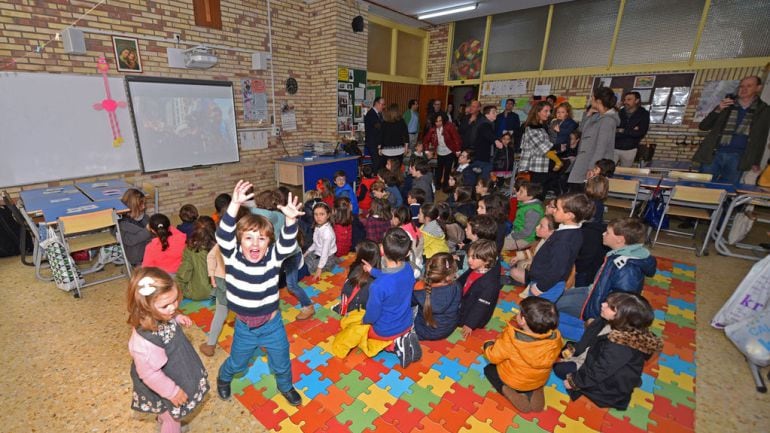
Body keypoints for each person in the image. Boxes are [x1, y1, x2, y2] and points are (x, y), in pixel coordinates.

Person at [127, 267, 209, 433]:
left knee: (169, 414)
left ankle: (164, 417)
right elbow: (150, 375)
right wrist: (171, 392)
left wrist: (177, 318)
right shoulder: (144, 344)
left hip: (175, 368)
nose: (173, 308)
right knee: (172, 420)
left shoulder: (160, 313)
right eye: (166, 305)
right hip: (161, 384)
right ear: (145, 308)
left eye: (175, 300)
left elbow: (170, 315)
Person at [555, 293, 663, 410]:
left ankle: (624, 382)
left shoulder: (620, 346)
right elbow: (588, 340)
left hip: (605, 380)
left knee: (559, 369)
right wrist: (573, 351)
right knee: (562, 352)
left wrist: (574, 382)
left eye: (610, 307)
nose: (602, 304)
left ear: (621, 316)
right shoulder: (611, 321)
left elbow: (599, 371)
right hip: (595, 356)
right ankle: (631, 379)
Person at [333, 228, 419, 367]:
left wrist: (363, 321)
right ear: (408, 253)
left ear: (382, 249)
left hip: (385, 330)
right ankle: (402, 338)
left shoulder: (378, 286)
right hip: (406, 322)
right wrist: (372, 271)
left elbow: (372, 316)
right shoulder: (408, 269)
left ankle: (394, 346)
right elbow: (392, 279)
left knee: (356, 327)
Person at [556, 218, 657, 321]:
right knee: (555, 297)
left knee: (553, 307)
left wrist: (598, 319)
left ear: (620, 239)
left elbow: (621, 302)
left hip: (599, 305)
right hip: (594, 291)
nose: (603, 234)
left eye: (608, 233)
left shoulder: (627, 268)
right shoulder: (617, 254)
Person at [483, 297, 562, 413]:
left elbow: (493, 356)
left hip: (514, 381)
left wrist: (488, 344)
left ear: (523, 321)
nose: (517, 313)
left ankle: (508, 391)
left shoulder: (512, 339)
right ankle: (537, 389)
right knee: (531, 376)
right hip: (537, 379)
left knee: (489, 370)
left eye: (520, 312)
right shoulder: (556, 338)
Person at [511, 193, 595, 302]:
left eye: (557, 209)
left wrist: (540, 287)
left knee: (535, 311)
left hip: (547, 285)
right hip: (546, 280)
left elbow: (557, 270)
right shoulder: (572, 230)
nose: (554, 210)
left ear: (569, 215)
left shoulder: (564, 241)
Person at [694, 76, 770, 184]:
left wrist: (756, 161)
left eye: (749, 86)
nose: (744, 89)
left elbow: (761, 137)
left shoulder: (764, 110)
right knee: (703, 187)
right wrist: (718, 109)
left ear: (758, 88)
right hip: (714, 154)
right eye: (741, 86)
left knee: (727, 190)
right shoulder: (727, 105)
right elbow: (703, 126)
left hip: (739, 157)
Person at [331, 240, 380, 357]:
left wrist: (342, 309)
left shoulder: (356, 271)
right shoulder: (381, 272)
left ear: (362, 257)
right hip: (371, 312)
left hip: (356, 310)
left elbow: (346, 294)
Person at [568, 87, 620, 188]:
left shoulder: (608, 121)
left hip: (592, 164)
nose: (590, 100)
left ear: (598, 101)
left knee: (586, 195)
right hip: (585, 160)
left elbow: (601, 147)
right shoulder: (596, 116)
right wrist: (588, 114)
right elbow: (581, 129)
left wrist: (592, 168)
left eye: (592, 97)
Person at [458, 239, 501, 338]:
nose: (469, 260)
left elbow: (481, 306)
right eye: (469, 256)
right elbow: (463, 279)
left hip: (473, 314)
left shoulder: (490, 284)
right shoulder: (477, 267)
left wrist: (470, 324)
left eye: (473, 258)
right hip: (466, 299)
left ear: (486, 261)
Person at [412, 252, 461, 340]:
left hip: (424, 331)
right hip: (449, 327)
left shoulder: (419, 289)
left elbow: (410, 302)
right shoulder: (457, 286)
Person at [200, 225, 227, 357]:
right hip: (240, 283)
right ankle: (263, 342)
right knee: (249, 314)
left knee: (220, 313)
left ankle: (210, 344)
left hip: (222, 281)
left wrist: (212, 276)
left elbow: (210, 257)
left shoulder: (219, 244)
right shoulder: (243, 243)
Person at [175, 217, 215, 301]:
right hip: (221, 291)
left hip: (197, 293)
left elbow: (184, 273)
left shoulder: (190, 249)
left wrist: (176, 285)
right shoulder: (221, 245)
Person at [519, 101, 557, 186]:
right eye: (546, 111)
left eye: (550, 111)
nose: (549, 114)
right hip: (535, 166)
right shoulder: (531, 127)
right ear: (538, 112)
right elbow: (542, 146)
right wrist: (558, 147)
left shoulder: (543, 126)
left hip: (542, 165)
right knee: (534, 193)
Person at [424, 111, 462, 190]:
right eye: (436, 121)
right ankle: (437, 184)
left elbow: (456, 138)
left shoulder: (449, 126)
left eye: (440, 121)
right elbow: (426, 140)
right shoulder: (432, 129)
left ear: (443, 120)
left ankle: (445, 185)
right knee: (439, 169)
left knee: (447, 169)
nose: (438, 123)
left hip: (449, 151)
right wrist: (427, 151)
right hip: (439, 152)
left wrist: (458, 150)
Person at [503, 181, 544, 252]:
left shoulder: (532, 211)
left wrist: (512, 236)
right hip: (517, 233)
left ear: (530, 196)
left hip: (525, 239)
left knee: (498, 245)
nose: (517, 193)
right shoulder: (526, 205)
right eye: (518, 190)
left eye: (521, 192)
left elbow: (526, 232)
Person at [304, 201, 338, 284]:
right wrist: (306, 253)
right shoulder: (318, 226)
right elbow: (315, 243)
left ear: (328, 215)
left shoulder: (327, 233)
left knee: (306, 268)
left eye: (322, 214)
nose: (318, 217)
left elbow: (325, 253)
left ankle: (332, 264)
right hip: (318, 253)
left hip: (326, 259)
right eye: (316, 214)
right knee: (300, 260)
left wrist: (319, 269)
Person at [614, 91, 650, 167]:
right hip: (614, 147)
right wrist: (631, 130)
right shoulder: (619, 112)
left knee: (625, 173)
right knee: (607, 170)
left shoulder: (643, 114)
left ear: (637, 101)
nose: (625, 102)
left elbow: (641, 132)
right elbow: (613, 129)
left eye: (629, 99)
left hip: (630, 149)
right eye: (625, 100)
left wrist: (622, 130)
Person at [119, 188, 152, 267]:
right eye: (141, 205)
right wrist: (148, 230)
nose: (144, 207)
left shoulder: (143, 216)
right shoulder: (122, 223)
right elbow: (130, 240)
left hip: (148, 251)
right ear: (132, 206)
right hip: (137, 257)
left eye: (144, 204)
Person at [471, 105, 501, 181]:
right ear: (487, 114)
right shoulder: (484, 124)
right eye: (493, 112)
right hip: (481, 158)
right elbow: (487, 133)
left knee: (481, 178)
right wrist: (496, 141)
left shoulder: (488, 123)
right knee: (481, 179)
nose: (496, 114)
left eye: (496, 112)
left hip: (482, 157)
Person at [548, 102, 579, 171]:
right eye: (558, 112)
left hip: (564, 146)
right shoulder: (555, 121)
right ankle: (558, 162)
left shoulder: (571, 122)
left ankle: (558, 163)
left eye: (562, 112)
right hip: (555, 144)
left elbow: (570, 130)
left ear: (567, 113)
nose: (559, 114)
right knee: (548, 154)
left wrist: (560, 130)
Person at [364, 97, 386, 171]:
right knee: (376, 163)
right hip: (373, 143)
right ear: (376, 104)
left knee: (380, 163)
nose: (383, 107)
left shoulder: (379, 114)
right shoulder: (371, 114)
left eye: (384, 105)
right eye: (382, 104)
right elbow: (379, 127)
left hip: (377, 143)